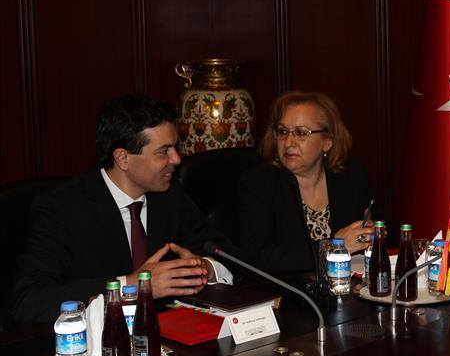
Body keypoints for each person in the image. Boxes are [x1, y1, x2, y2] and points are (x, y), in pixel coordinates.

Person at [12, 94, 235, 325]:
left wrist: (204, 269)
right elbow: (29, 301)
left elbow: (232, 257)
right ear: (123, 158)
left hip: (168, 334)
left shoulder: (169, 195)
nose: (177, 159)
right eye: (164, 151)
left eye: (175, 147)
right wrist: (130, 285)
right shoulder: (61, 208)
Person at [239, 91, 381, 273]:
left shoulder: (352, 176)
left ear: (327, 141)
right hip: (289, 288)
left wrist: (372, 234)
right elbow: (258, 257)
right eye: (282, 132)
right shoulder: (259, 182)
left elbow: (377, 230)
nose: (288, 142)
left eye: (300, 133)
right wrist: (333, 247)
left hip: (348, 283)